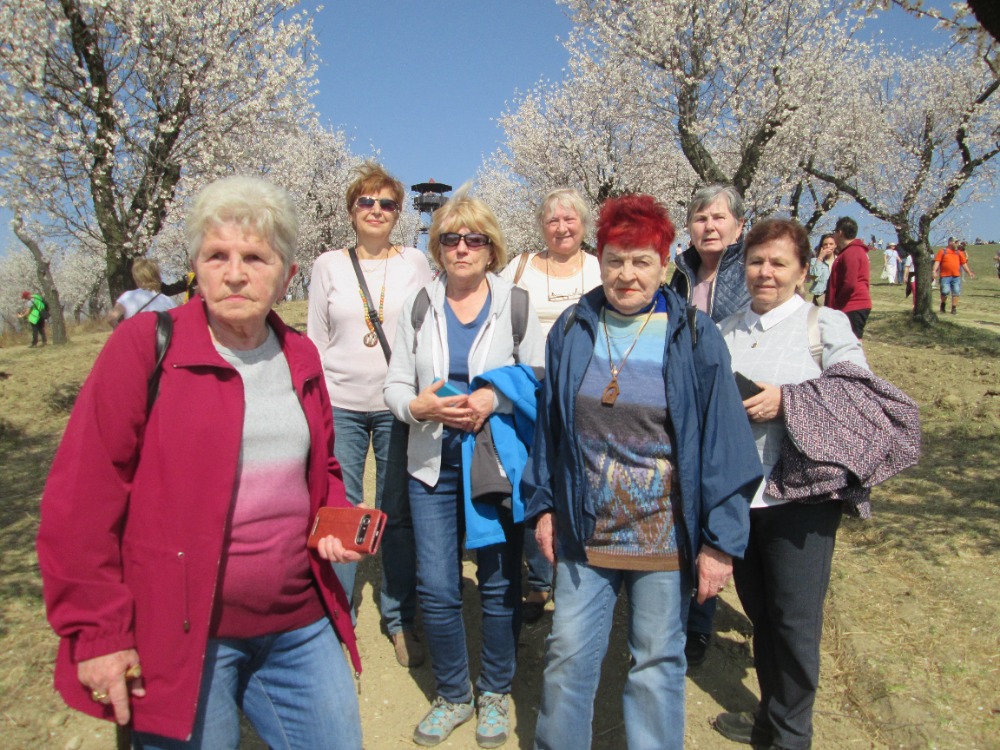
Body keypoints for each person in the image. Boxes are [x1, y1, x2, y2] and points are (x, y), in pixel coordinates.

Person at [37, 176, 365, 750]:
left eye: (255, 257)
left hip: (298, 622)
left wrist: (335, 515)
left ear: (288, 274)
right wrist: (98, 631)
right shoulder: (148, 347)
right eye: (218, 256)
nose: (235, 273)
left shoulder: (301, 356)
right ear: (195, 266)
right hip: (185, 633)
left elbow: (322, 470)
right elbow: (82, 498)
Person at [524, 194, 761, 750]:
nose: (627, 275)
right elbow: (550, 432)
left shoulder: (696, 337)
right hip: (587, 529)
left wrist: (720, 543)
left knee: (656, 664)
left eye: (641, 261)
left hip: (664, 536)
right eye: (615, 260)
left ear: (663, 263)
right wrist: (545, 507)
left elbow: (724, 446)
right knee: (566, 658)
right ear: (598, 259)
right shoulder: (573, 329)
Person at [712, 218, 882, 750]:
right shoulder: (724, 330)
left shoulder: (825, 325)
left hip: (802, 495)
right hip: (742, 495)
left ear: (803, 270)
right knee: (762, 613)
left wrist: (788, 401)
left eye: (779, 262)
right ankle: (768, 717)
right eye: (757, 261)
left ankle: (791, 736)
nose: (766, 272)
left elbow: (863, 399)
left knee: (795, 621)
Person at [384, 186, 544, 748]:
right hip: (430, 462)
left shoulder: (515, 303)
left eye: (474, 239)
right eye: (450, 238)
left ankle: (495, 690)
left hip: (493, 464)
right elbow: (395, 383)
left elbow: (538, 377)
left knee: (500, 582)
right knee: (436, 584)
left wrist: (491, 400)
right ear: (438, 246)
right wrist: (417, 407)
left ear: (492, 249)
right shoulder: (419, 305)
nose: (461, 248)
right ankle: (454, 693)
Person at [308, 162, 433, 667]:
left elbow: (427, 330)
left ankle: (398, 616)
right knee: (343, 509)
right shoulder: (327, 265)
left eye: (386, 204)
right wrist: (313, 402)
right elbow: (316, 340)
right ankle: (340, 617)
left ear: (398, 213)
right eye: (367, 202)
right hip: (340, 402)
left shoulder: (416, 264)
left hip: (395, 405)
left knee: (396, 513)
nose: (376, 211)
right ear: (352, 210)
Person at [499, 187, 601, 623]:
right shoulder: (520, 267)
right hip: (529, 389)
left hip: (585, 391)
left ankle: (582, 570)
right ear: (542, 226)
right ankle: (539, 581)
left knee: (580, 478)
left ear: (584, 224)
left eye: (570, 219)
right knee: (534, 479)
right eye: (553, 220)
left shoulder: (600, 268)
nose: (561, 227)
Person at [668, 183, 749, 666]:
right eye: (700, 218)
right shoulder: (680, 274)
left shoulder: (749, 270)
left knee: (721, 511)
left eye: (719, 218)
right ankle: (689, 614)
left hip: (736, 402)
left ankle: (703, 617)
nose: (709, 226)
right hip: (686, 405)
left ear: (739, 225)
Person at [828, 216, 872, 340]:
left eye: (834, 232)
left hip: (853, 304)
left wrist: (837, 303)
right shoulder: (850, 251)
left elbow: (850, 283)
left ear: (840, 233)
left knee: (851, 344)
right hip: (851, 305)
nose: (834, 235)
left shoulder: (852, 252)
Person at [106, 258, 177, 328]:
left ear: (137, 277)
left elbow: (111, 318)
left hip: (134, 337)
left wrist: (121, 331)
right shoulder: (167, 301)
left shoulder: (128, 297)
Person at [932, 237, 974, 314]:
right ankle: (943, 305)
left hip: (956, 276)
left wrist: (969, 272)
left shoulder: (959, 253)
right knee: (945, 291)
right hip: (945, 276)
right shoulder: (942, 251)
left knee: (956, 292)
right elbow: (937, 262)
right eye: (956, 242)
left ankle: (953, 308)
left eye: (957, 242)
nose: (957, 244)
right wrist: (934, 271)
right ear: (950, 242)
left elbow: (964, 264)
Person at [807, 234, 835, 306]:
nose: (828, 246)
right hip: (820, 298)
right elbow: (814, 277)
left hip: (835, 297)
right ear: (822, 246)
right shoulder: (815, 261)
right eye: (825, 244)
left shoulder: (839, 260)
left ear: (835, 245)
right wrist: (820, 258)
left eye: (831, 244)